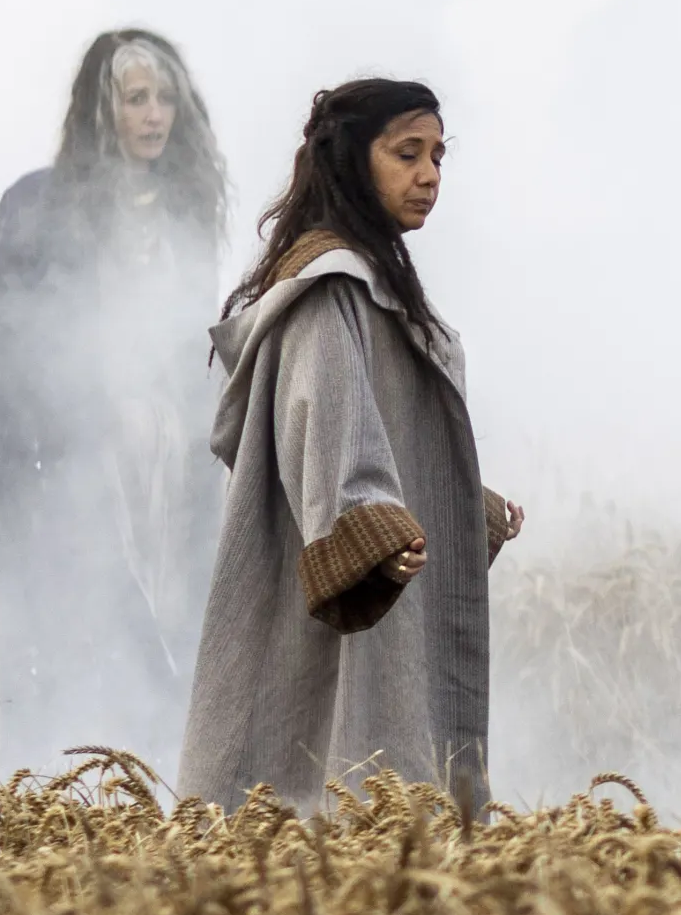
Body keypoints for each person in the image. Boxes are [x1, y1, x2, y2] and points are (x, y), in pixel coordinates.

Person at [177, 79, 523, 818]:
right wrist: (364, 521)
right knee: (315, 791)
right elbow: (327, 424)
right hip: (335, 594)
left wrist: (457, 501)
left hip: (375, 592)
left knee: (362, 803)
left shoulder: (374, 284)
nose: (430, 174)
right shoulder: (331, 289)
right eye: (407, 153)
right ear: (351, 162)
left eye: (437, 155)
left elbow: (381, 426)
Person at [0, 29, 231, 763]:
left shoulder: (186, 210)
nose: (154, 115)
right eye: (135, 98)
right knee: (60, 647)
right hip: (60, 472)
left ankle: (160, 798)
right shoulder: (37, 204)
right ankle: (54, 808)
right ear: (98, 109)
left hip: (167, 478)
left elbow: (193, 344)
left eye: (165, 98)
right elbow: (0, 337)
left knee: (165, 645)